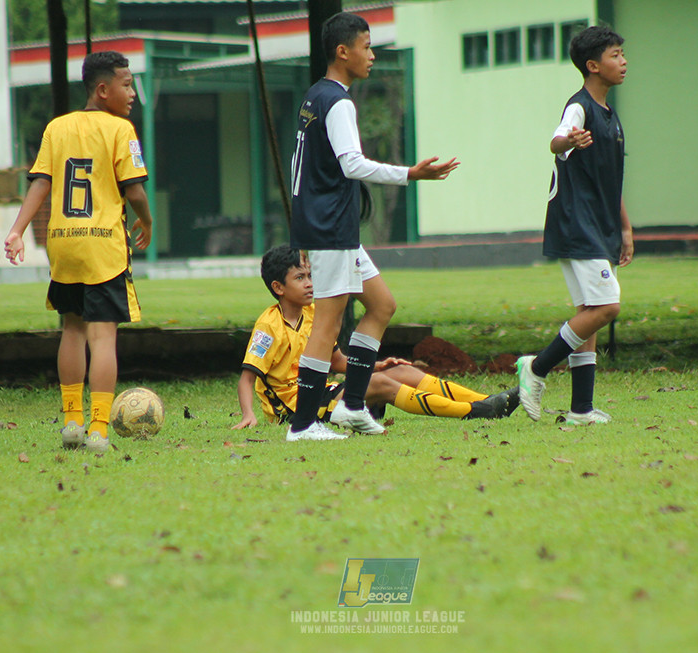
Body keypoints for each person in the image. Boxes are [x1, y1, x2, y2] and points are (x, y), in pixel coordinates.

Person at [287, 12, 460, 441]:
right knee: (327, 324)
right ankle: (303, 424)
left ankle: (350, 406)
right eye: (366, 46)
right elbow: (352, 164)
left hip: (332, 227)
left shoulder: (316, 96)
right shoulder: (338, 101)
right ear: (342, 52)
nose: (372, 54)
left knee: (381, 305)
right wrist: (410, 174)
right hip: (329, 229)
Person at [3, 51, 154, 452]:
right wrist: (148, 221)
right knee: (102, 336)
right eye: (126, 84)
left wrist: (18, 230)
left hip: (64, 243)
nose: (133, 93)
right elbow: (135, 190)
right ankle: (100, 429)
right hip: (103, 244)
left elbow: (40, 182)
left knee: (71, 328)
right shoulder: (121, 130)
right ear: (103, 90)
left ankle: (71, 422)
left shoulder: (57, 127)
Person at [232, 246, 517, 431]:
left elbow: (336, 361)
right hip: (296, 410)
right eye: (299, 278)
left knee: (400, 370)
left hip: (326, 391)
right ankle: (474, 412)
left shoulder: (314, 313)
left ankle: (491, 401)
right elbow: (247, 378)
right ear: (278, 287)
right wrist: (249, 415)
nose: (309, 283)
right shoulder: (268, 326)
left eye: (310, 275)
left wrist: (376, 364)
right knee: (379, 385)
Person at [516, 26, 633, 426]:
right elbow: (556, 140)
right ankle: (536, 368)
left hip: (601, 226)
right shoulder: (579, 107)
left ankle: (581, 409)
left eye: (622, 54)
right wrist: (568, 141)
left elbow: (609, 180)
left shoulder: (610, 116)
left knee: (589, 309)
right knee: (607, 306)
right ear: (593, 65)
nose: (623, 61)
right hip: (577, 223)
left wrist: (626, 229)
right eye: (616, 54)